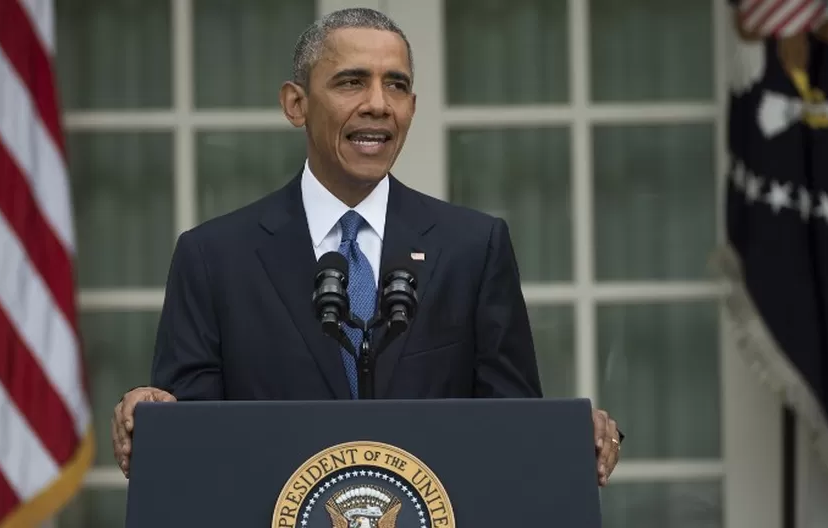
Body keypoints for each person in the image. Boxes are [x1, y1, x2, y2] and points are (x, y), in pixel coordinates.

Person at [111, 7, 622, 486]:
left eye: (395, 86)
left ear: (412, 108)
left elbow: (512, 425)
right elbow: (188, 439)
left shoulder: (473, 247)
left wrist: (571, 435)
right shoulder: (213, 257)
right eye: (351, 81)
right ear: (296, 103)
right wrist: (151, 411)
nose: (378, 103)